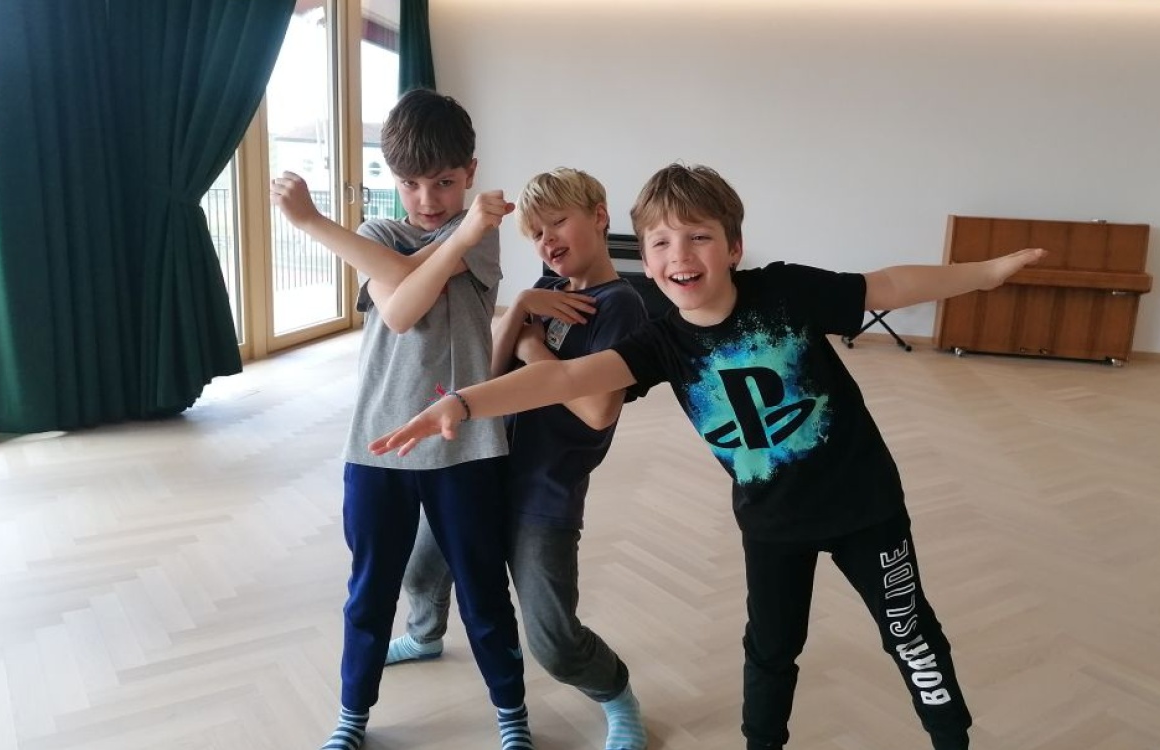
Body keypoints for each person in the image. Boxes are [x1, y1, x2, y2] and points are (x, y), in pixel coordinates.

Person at [368, 163, 1048, 750]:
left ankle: (951, 739)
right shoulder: (662, 342)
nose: (680, 254)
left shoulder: (784, 291)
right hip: (772, 525)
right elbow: (567, 378)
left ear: (733, 247)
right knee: (771, 652)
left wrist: (987, 273)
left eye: (698, 236)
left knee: (910, 636)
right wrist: (462, 404)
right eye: (662, 242)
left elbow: (887, 286)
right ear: (647, 258)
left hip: (866, 509)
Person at [269, 88, 532, 750]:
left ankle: (512, 716)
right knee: (370, 591)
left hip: (467, 444)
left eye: (444, 182)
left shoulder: (483, 233)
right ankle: (351, 718)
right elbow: (401, 307)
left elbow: (411, 287)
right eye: (410, 183)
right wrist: (315, 224)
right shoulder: (377, 235)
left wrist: (466, 231)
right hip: (377, 446)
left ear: (470, 173)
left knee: (483, 590)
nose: (427, 198)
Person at [387, 168, 650, 750]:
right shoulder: (549, 288)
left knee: (553, 641)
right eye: (535, 233)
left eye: (557, 222)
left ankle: (616, 694)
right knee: (420, 569)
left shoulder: (621, 305)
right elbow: (489, 372)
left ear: (599, 216)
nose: (547, 240)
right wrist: (522, 307)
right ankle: (425, 634)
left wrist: (532, 342)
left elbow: (597, 409)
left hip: (545, 493)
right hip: (482, 470)